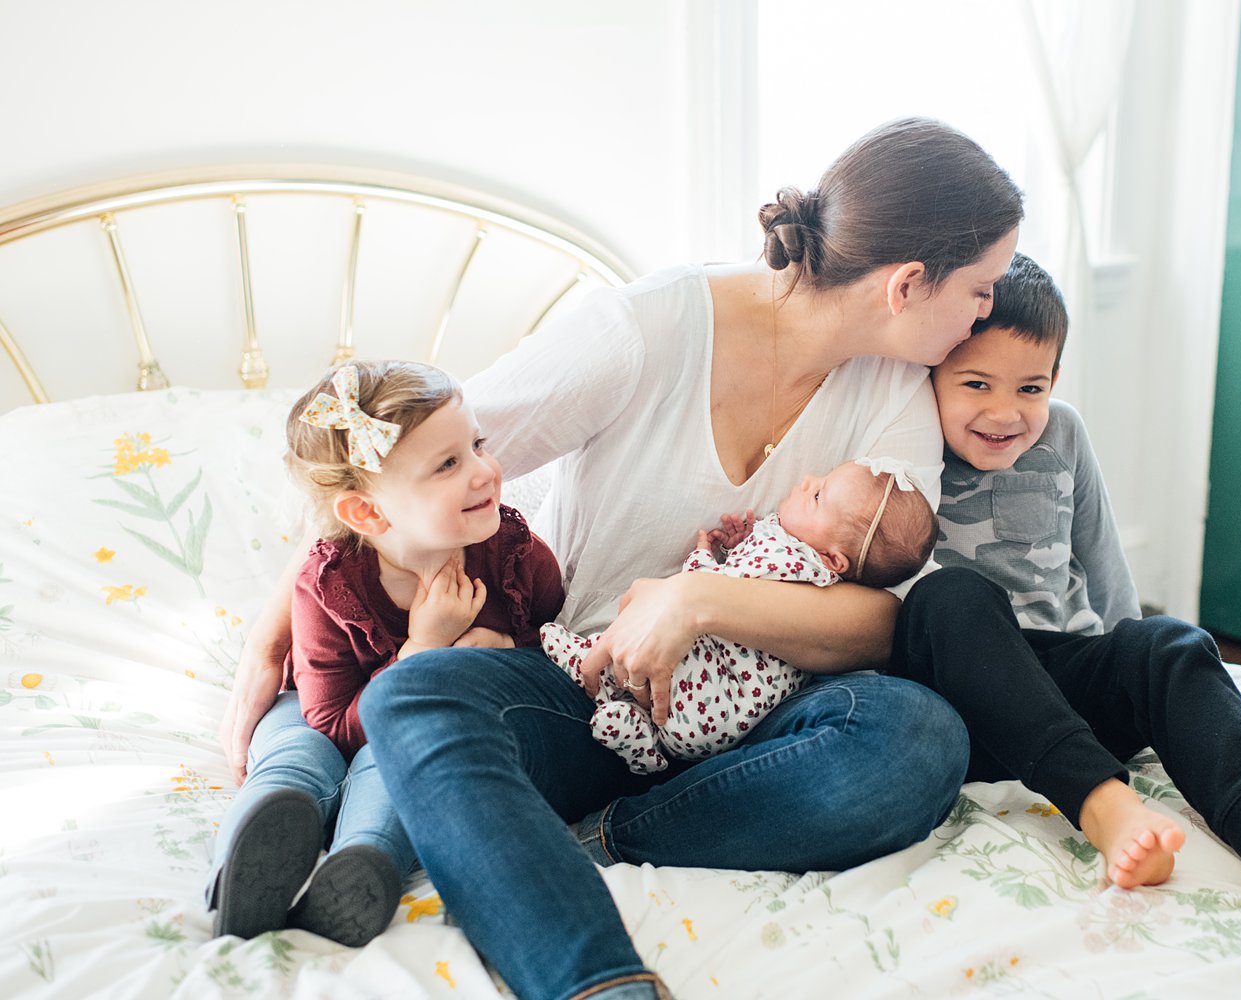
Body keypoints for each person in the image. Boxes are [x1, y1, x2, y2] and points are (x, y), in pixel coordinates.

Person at [219, 117, 1023, 1000]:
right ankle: (597, 983)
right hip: (581, 692)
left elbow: (880, 626)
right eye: (982, 288)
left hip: (763, 717)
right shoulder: (648, 328)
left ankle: (605, 836)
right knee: (416, 691)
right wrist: (275, 625)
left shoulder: (896, 395)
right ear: (909, 283)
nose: (987, 314)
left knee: (917, 738)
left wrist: (698, 603)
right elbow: (406, 465)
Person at [890, 253, 1241, 903]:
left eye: (1029, 388)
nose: (1005, 413)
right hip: (965, 704)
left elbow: (1102, 558)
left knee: (1171, 642)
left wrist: (1133, 667)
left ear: (1055, 378)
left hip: (1063, 689)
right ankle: (1103, 807)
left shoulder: (1064, 433)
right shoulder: (907, 438)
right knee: (953, 595)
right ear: (931, 375)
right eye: (976, 384)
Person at [208, 360, 562, 947]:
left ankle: (360, 866)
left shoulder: (515, 557)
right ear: (367, 513)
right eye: (449, 464)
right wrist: (424, 648)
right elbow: (330, 722)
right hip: (318, 710)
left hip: (408, 728)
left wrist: (505, 655)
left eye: (477, 445)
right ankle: (244, 873)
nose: (486, 473)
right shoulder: (329, 585)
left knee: (404, 760)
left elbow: (553, 657)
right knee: (293, 759)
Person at [544, 458, 938, 773]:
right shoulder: (812, 571)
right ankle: (642, 739)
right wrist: (741, 546)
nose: (806, 480)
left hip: (714, 688)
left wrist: (701, 557)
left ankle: (587, 659)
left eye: (818, 495)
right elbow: (741, 583)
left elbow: (713, 587)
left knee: (663, 651)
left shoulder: (790, 559)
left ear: (833, 558)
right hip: (716, 724)